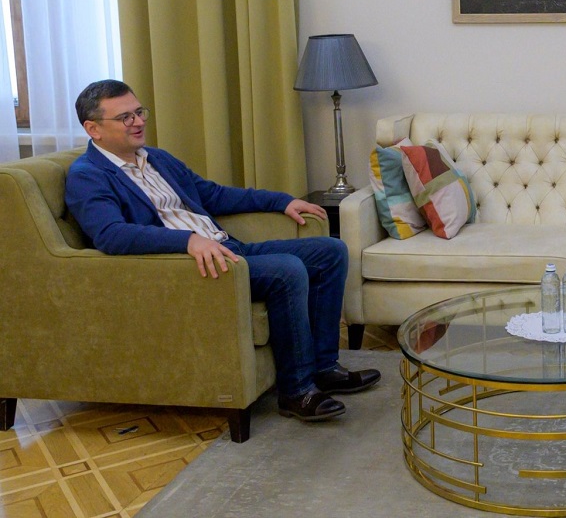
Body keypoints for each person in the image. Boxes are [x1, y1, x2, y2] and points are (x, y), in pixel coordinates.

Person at [65, 80, 381, 424]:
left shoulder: (155, 158)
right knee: (287, 270)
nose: (139, 122)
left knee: (331, 251)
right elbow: (111, 235)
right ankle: (297, 390)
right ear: (93, 129)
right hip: (189, 267)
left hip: (228, 248)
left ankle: (323, 368)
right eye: (125, 117)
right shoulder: (88, 176)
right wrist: (186, 241)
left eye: (140, 112)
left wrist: (281, 201)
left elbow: (213, 195)